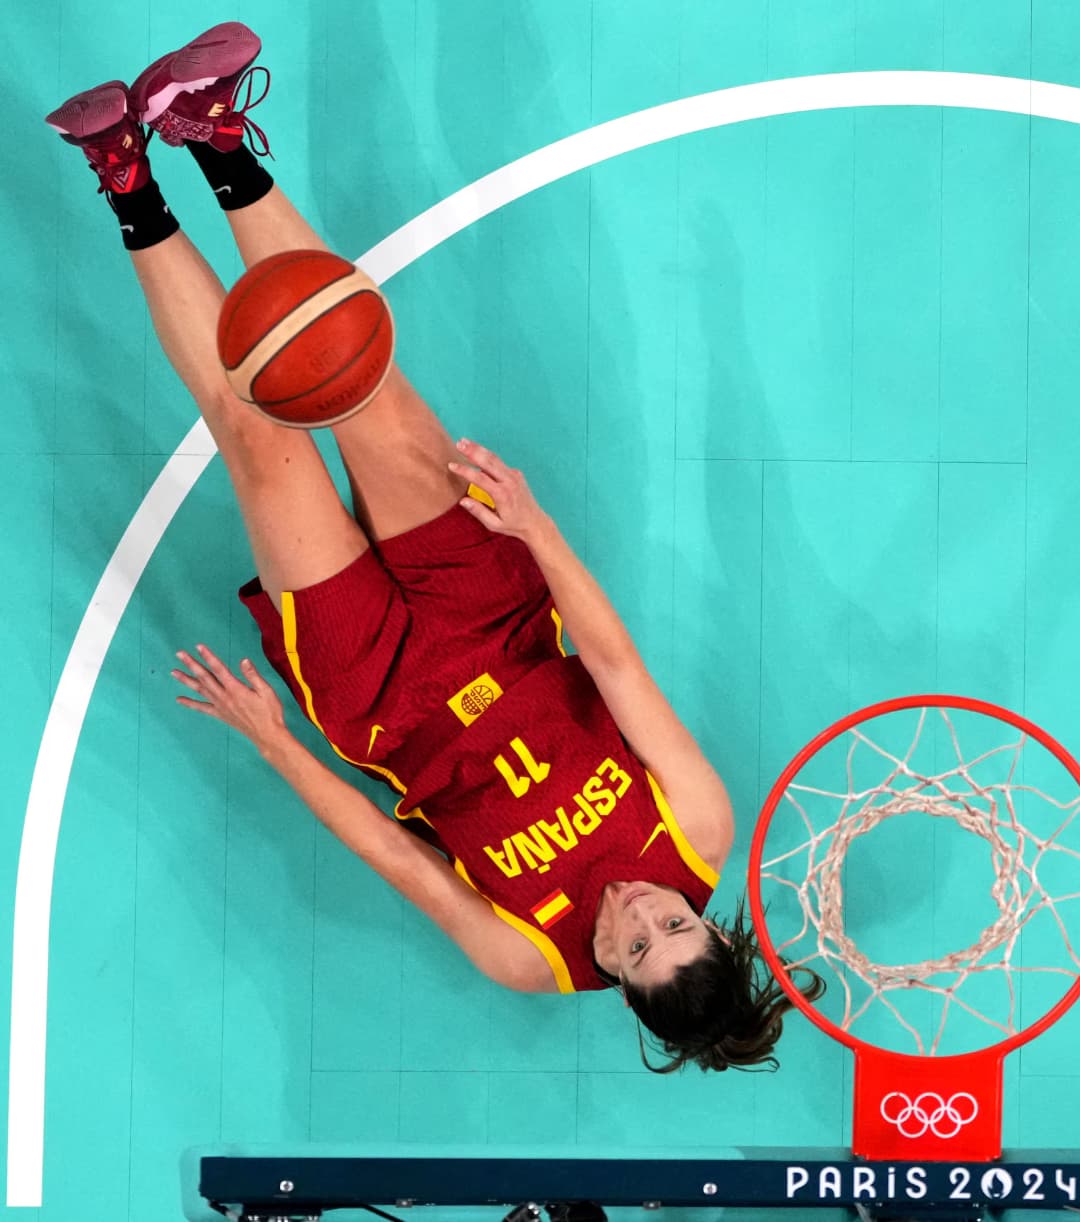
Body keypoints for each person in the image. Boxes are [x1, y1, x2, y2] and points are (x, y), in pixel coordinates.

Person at [46, 22, 821, 1072]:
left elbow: (388, 854)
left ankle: (127, 179)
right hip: (494, 615)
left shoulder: (528, 956)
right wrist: (537, 532)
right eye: (673, 926)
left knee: (255, 430)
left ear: (613, 979)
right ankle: (213, 133)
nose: (638, 911)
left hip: (378, 692)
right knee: (349, 369)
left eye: (632, 946)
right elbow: (613, 661)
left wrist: (273, 739)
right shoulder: (696, 828)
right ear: (711, 924)